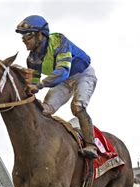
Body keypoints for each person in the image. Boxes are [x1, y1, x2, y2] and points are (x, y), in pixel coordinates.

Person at [16, 15, 98, 159]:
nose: (24, 40)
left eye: (27, 36)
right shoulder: (32, 58)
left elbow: (62, 72)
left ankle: (91, 145)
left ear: (41, 35)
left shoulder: (59, 41)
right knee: (44, 111)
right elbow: (32, 84)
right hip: (63, 82)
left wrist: (40, 85)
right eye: (23, 37)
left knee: (77, 107)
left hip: (82, 74)